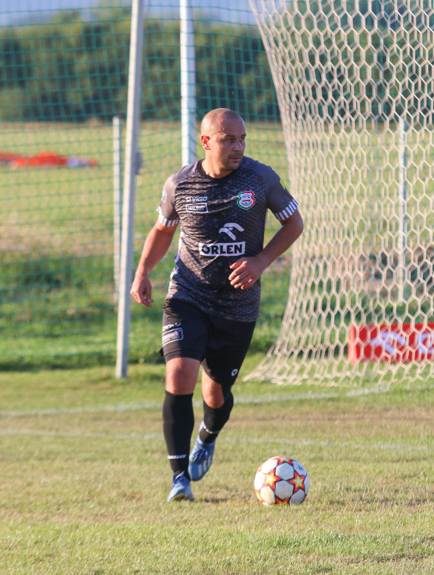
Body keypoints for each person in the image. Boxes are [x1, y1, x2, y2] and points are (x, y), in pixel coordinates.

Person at [130, 108, 304, 501]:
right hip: (188, 295)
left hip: (237, 306)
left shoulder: (261, 180)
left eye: (242, 138)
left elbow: (294, 224)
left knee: (215, 394)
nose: (237, 146)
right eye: (228, 139)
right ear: (206, 141)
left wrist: (260, 261)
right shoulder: (180, 184)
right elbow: (162, 231)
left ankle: (207, 436)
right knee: (178, 376)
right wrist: (142, 272)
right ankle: (179, 479)